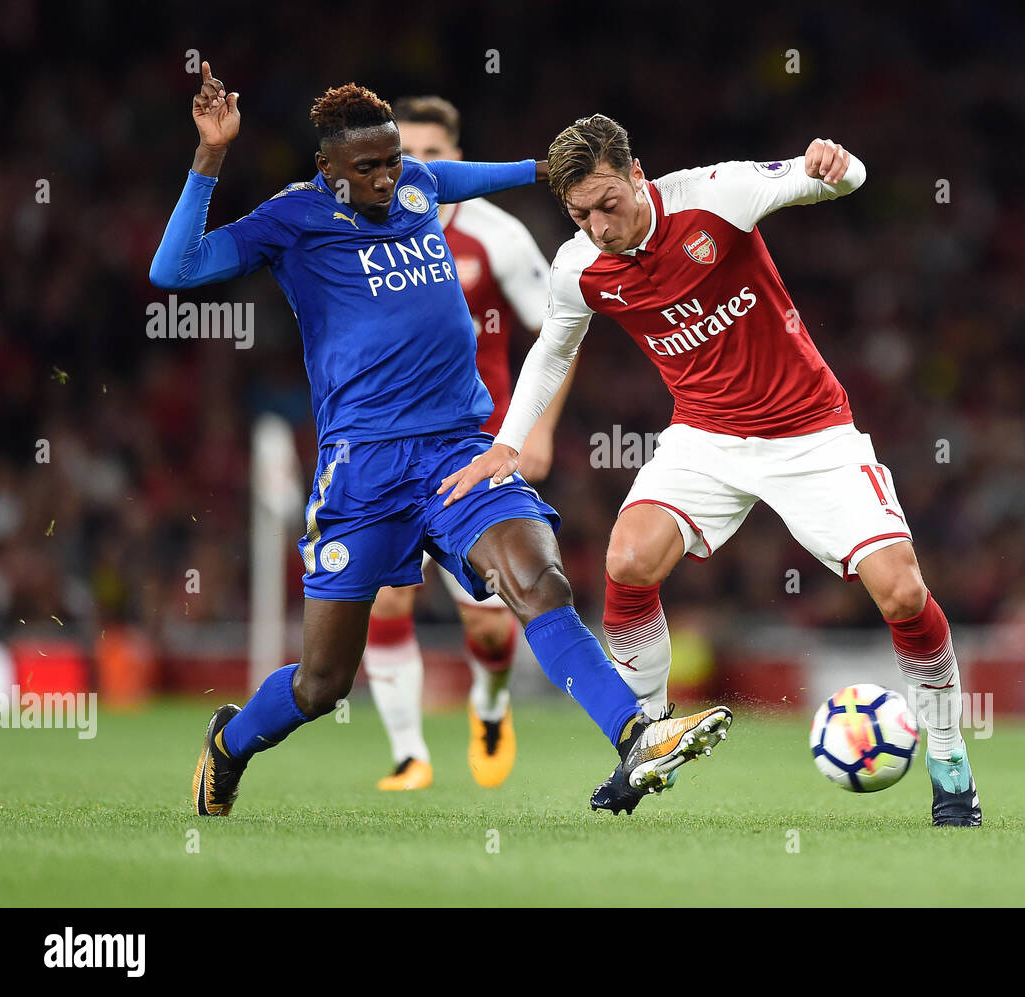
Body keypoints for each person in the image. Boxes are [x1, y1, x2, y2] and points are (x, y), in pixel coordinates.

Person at [151, 67, 732, 818]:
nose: (390, 179)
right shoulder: (291, 219)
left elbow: (452, 174)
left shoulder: (418, 184)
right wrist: (209, 157)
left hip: (461, 447)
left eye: (394, 160)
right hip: (364, 471)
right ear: (327, 168)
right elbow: (175, 267)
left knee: (538, 580)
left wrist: (538, 168)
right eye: (369, 168)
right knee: (322, 682)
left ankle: (635, 734)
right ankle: (231, 743)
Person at [439, 115, 980, 825]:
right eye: (581, 214)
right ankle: (647, 737)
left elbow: (842, 181)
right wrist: (511, 440)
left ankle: (949, 762)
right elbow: (552, 349)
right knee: (627, 560)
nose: (600, 226)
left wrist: (837, 161)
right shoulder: (579, 268)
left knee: (903, 592)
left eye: (609, 203)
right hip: (705, 436)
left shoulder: (714, 197)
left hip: (811, 431)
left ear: (638, 175)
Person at [362, 96, 576, 792]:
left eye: (434, 152)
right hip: (388, 448)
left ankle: (490, 703)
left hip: (475, 449)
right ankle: (408, 754)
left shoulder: (499, 236)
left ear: (459, 159)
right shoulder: (364, 230)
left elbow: (561, 332)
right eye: (407, 153)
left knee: (489, 620)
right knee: (387, 598)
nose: (419, 165)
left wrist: (535, 429)